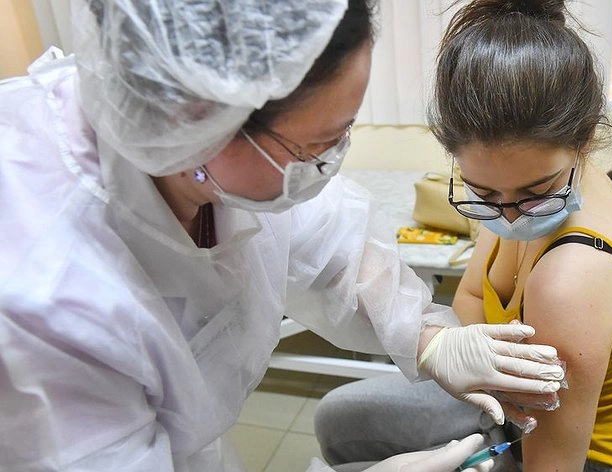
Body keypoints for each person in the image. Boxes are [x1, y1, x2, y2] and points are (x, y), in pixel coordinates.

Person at [0, 1, 569, 470]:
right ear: (200, 123)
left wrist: (430, 340)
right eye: (320, 143)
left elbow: (335, 249)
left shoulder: (215, 163)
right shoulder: (40, 299)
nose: (332, 162)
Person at [314, 1, 612, 471]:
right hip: (519, 421)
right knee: (338, 419)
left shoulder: (570, 282)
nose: (510, 216)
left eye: (534, 192)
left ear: (584, 140)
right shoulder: (535, 187)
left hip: (589, 460)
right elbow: (470, 297)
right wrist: (459, 361)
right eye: (482, 192)